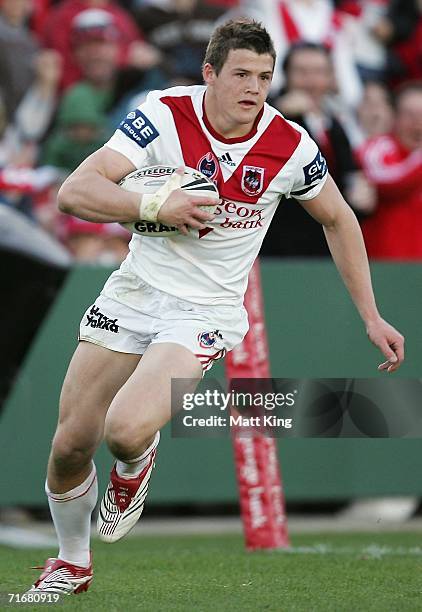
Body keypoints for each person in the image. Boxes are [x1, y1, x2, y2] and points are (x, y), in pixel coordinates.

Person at [28, 18, 404, 595]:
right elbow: (74, 192)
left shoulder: (290, 145)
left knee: (125, 430)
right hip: (133, 291)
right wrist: (157, 202)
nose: (254, 88)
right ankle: (72, 564)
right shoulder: (164, 113)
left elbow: (339, 218)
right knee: (70, 444)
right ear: (209, 74)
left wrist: (371, 315)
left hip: (202, 312)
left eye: (264, 76)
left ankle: (135, 463)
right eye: (240, 75)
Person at [358, 81, 422, 259]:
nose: (417, 122)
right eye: (409, 114)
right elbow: (386, 180)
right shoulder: (379, 149)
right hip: (385, 268)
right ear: (394, 117)